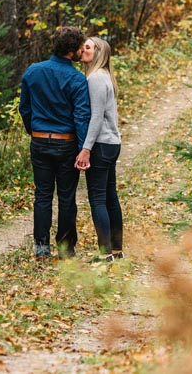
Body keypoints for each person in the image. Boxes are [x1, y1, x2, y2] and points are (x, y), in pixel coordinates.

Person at [19, 26, 90, 259]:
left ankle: (41, 247)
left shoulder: (32, 72)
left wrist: (34, 130)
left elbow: (25, 108)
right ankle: (66, 249)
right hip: (66, 143)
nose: (83, 50)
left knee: (42, 195)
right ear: (71, 51)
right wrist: (83, 148)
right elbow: (80, 117)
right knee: (66, 197)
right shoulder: (78, 80)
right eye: (80, 47)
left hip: (39, 142)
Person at [74, 37, 124, 263]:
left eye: (88, 47)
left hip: (101, 145)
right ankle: (116, 250)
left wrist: (85, 149)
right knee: (111, 197)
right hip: (112, 143)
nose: (83, 50)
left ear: (98, 53)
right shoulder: (106, 77)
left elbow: (96, 118)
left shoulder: (94, 79)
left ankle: (105, 254)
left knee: (98, 199)